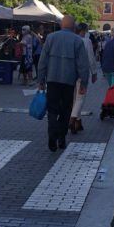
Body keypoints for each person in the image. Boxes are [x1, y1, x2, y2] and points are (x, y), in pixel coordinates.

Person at [36, 15, 90, 152]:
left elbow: (42, 61)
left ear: (61, 25)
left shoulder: (51, 38)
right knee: (66, 110)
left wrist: (41, 80)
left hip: (52, 80)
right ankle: (61, 137)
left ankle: (52, 136)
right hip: (69, 81)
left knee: (52, 110)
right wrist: (84, 83)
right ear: (73, 27)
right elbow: (83, 64)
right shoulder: (77, 41)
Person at [70, 23, 100, 134]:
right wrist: (94, 72)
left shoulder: (71, 39)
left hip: (70, 73)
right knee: (80, 98)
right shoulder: (87, 41)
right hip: (82, 73)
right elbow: (91, 58)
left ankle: (78, 122)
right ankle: (72, 119)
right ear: (83, 30)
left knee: (74, 99)